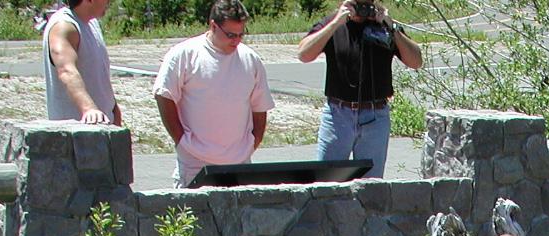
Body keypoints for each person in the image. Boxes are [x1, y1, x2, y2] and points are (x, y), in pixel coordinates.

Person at [153, 0, 275, 188]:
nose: (236, 40)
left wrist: (252, 143)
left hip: (239, 163)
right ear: (213, 25)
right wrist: (182, 140)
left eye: (241, 34)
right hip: (194, 164)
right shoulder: (184, 54)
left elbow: (260, 106)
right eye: (230, 35)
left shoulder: (250, 59)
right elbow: (164, 95)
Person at [297, 0, 422, 177]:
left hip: (375, 117)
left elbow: (416, 61)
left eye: (366, 5)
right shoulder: (334, 22)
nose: (362, 10)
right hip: (338, 115)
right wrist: (335, 24)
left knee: (371, 188)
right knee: (327, 183)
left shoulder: (385, 27)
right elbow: (303, 54)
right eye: (358, 4)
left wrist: (392, 27)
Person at [42, 0, 120, 125]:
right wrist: (88, 109)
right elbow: (66, 70)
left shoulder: (92, 24)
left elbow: (98, 77)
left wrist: (114, 111)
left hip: (102, 126)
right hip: (75, 133)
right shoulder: (64, 26)